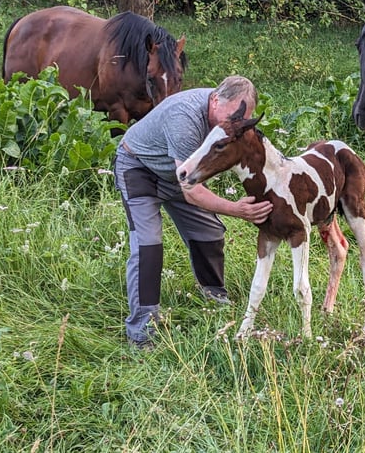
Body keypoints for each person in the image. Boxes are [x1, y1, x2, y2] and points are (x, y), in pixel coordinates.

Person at [113, 75, 273, 349]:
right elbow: (192, 191)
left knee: (209, 231)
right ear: (214, 99)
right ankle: (142, 332)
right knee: (148, 244)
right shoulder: (185, 118)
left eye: (241, 119)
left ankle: (214, 297)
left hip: (178, 176)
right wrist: (236, 209)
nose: (233, 124)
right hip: (140, 169)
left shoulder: (226, 121)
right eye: (231, 115)